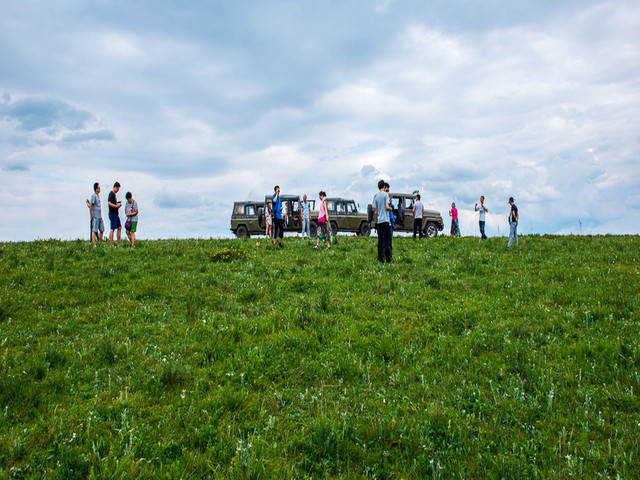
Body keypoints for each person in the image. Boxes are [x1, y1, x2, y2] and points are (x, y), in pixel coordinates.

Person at [373, 180, 392, 265]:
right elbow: (387, 207)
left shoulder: (376, 197)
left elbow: (376, 211)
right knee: (387, 241)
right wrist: (391, 208)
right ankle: (388, 260)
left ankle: (381, 260)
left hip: (379, 221)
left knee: (380, 241)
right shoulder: (386, 195)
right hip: (385, 220)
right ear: (384, 186)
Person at [107, 182, 123, 247]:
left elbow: (113, 202)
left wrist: (117, 202)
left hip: (116, 214)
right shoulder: (111, 194)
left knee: (119, 227)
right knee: (112, 229)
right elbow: (109, 203)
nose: (118, 191)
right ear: (115, 187)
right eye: (118, 189)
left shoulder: (114, 195)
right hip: (112, 214)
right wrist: (116, 206)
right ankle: (111, 244)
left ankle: (118, 243)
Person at [88, 182, 104, 248]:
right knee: (94, 230)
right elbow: (91, 205)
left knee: (102, 230)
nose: (100, 189)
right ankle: (94, 245)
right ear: (96, 189)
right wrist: (91, 215)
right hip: (95, 216)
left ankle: (99, 244)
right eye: (99, 188)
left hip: (100, 216)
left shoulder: (98, 196)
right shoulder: (93, 196)